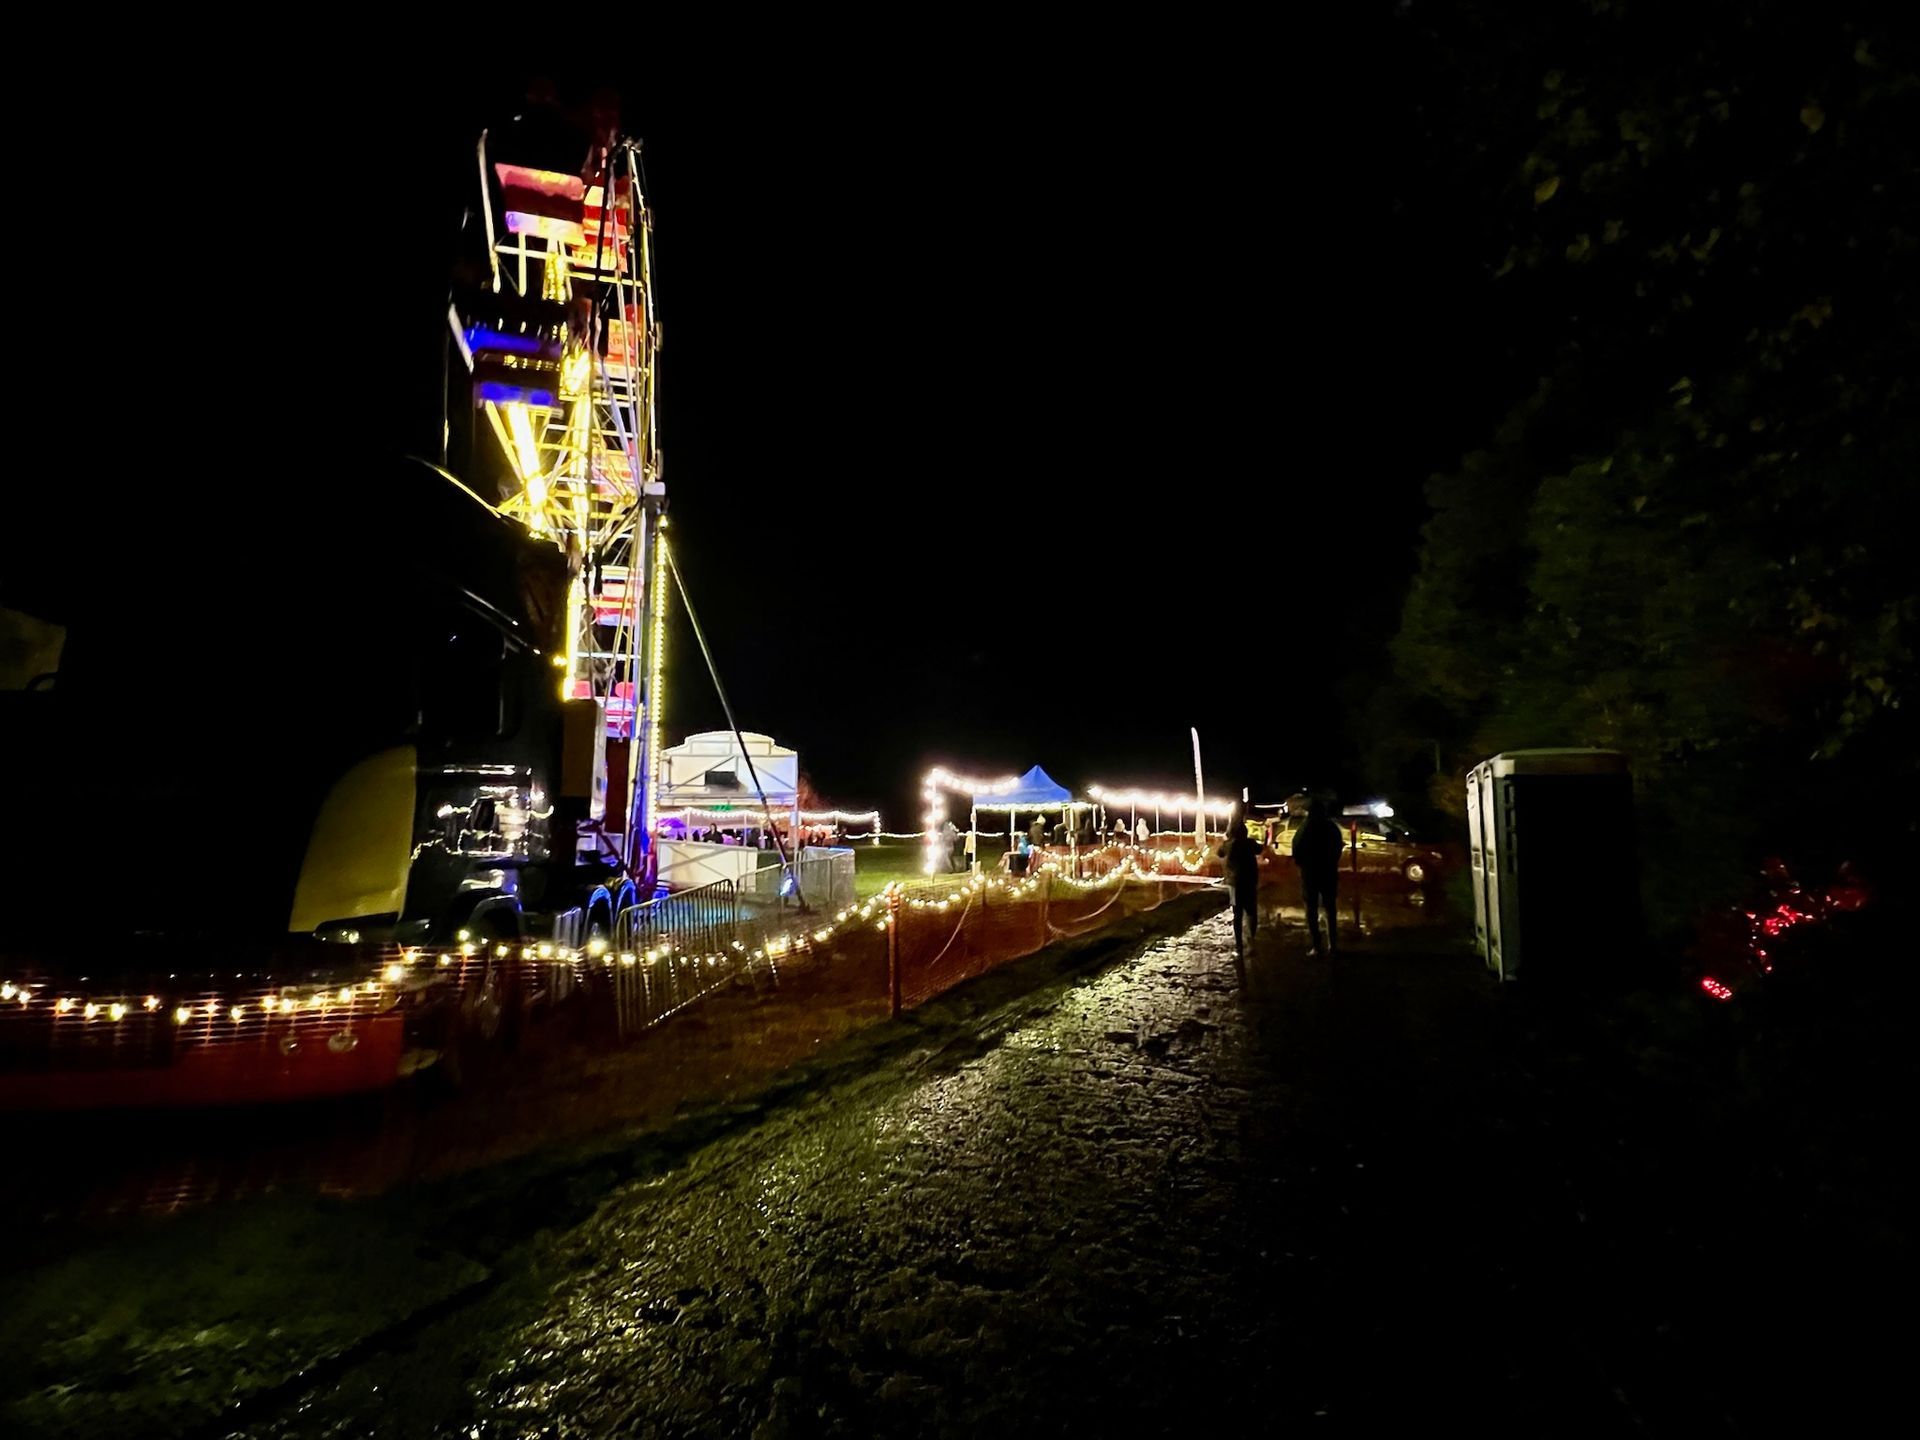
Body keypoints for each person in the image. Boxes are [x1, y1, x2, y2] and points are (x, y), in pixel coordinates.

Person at [1292, 795, 1345, 954]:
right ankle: (1333, 945)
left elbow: (1297, 850)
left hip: (1310, 873)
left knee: (1311, 909)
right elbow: (1338, 848)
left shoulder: (1305, 828)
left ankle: (1317, 946)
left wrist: (1302, 865)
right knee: (1330, 907)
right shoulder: (1331, 827)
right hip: (1328, 871)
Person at [1217, 807, 1262, 954]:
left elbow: (1220, 853)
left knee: (1237, 914)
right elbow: (1260, 849)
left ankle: (1239, 945)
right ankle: (1252, 941)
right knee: (1251, 912)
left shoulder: (1228, 844)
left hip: (1235, 883)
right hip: (1250, 880)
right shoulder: (1250, 843)